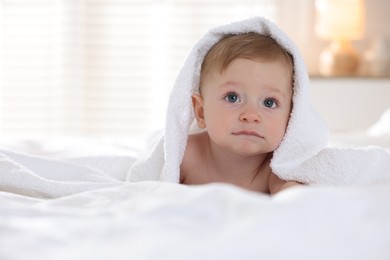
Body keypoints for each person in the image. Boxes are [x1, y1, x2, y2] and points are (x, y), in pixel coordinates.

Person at [179, 33, 301, 194]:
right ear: (201, 112)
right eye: (232, 97)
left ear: (291, 117)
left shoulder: (277, 168)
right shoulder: (185, 155)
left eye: (269, 102)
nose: (251, 115)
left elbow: (295, 200)